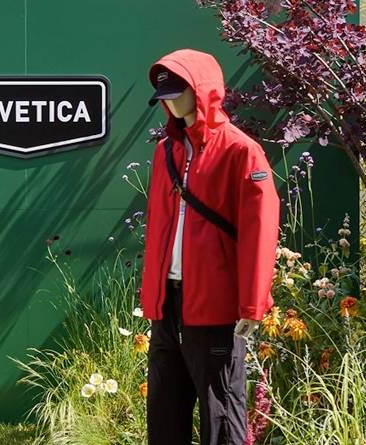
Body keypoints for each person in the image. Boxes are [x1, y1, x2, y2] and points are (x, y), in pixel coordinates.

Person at [140, 49, 280, 445]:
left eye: (177, 93)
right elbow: (159, 227)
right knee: (164, 414)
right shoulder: (166, 151)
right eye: (164, 97)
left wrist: (252, 305)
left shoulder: (241, 151)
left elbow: (260, 230)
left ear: (202, 91)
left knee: (220, 416)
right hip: (167, 305)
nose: (170, 103)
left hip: (215, 307)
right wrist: (152, 297)